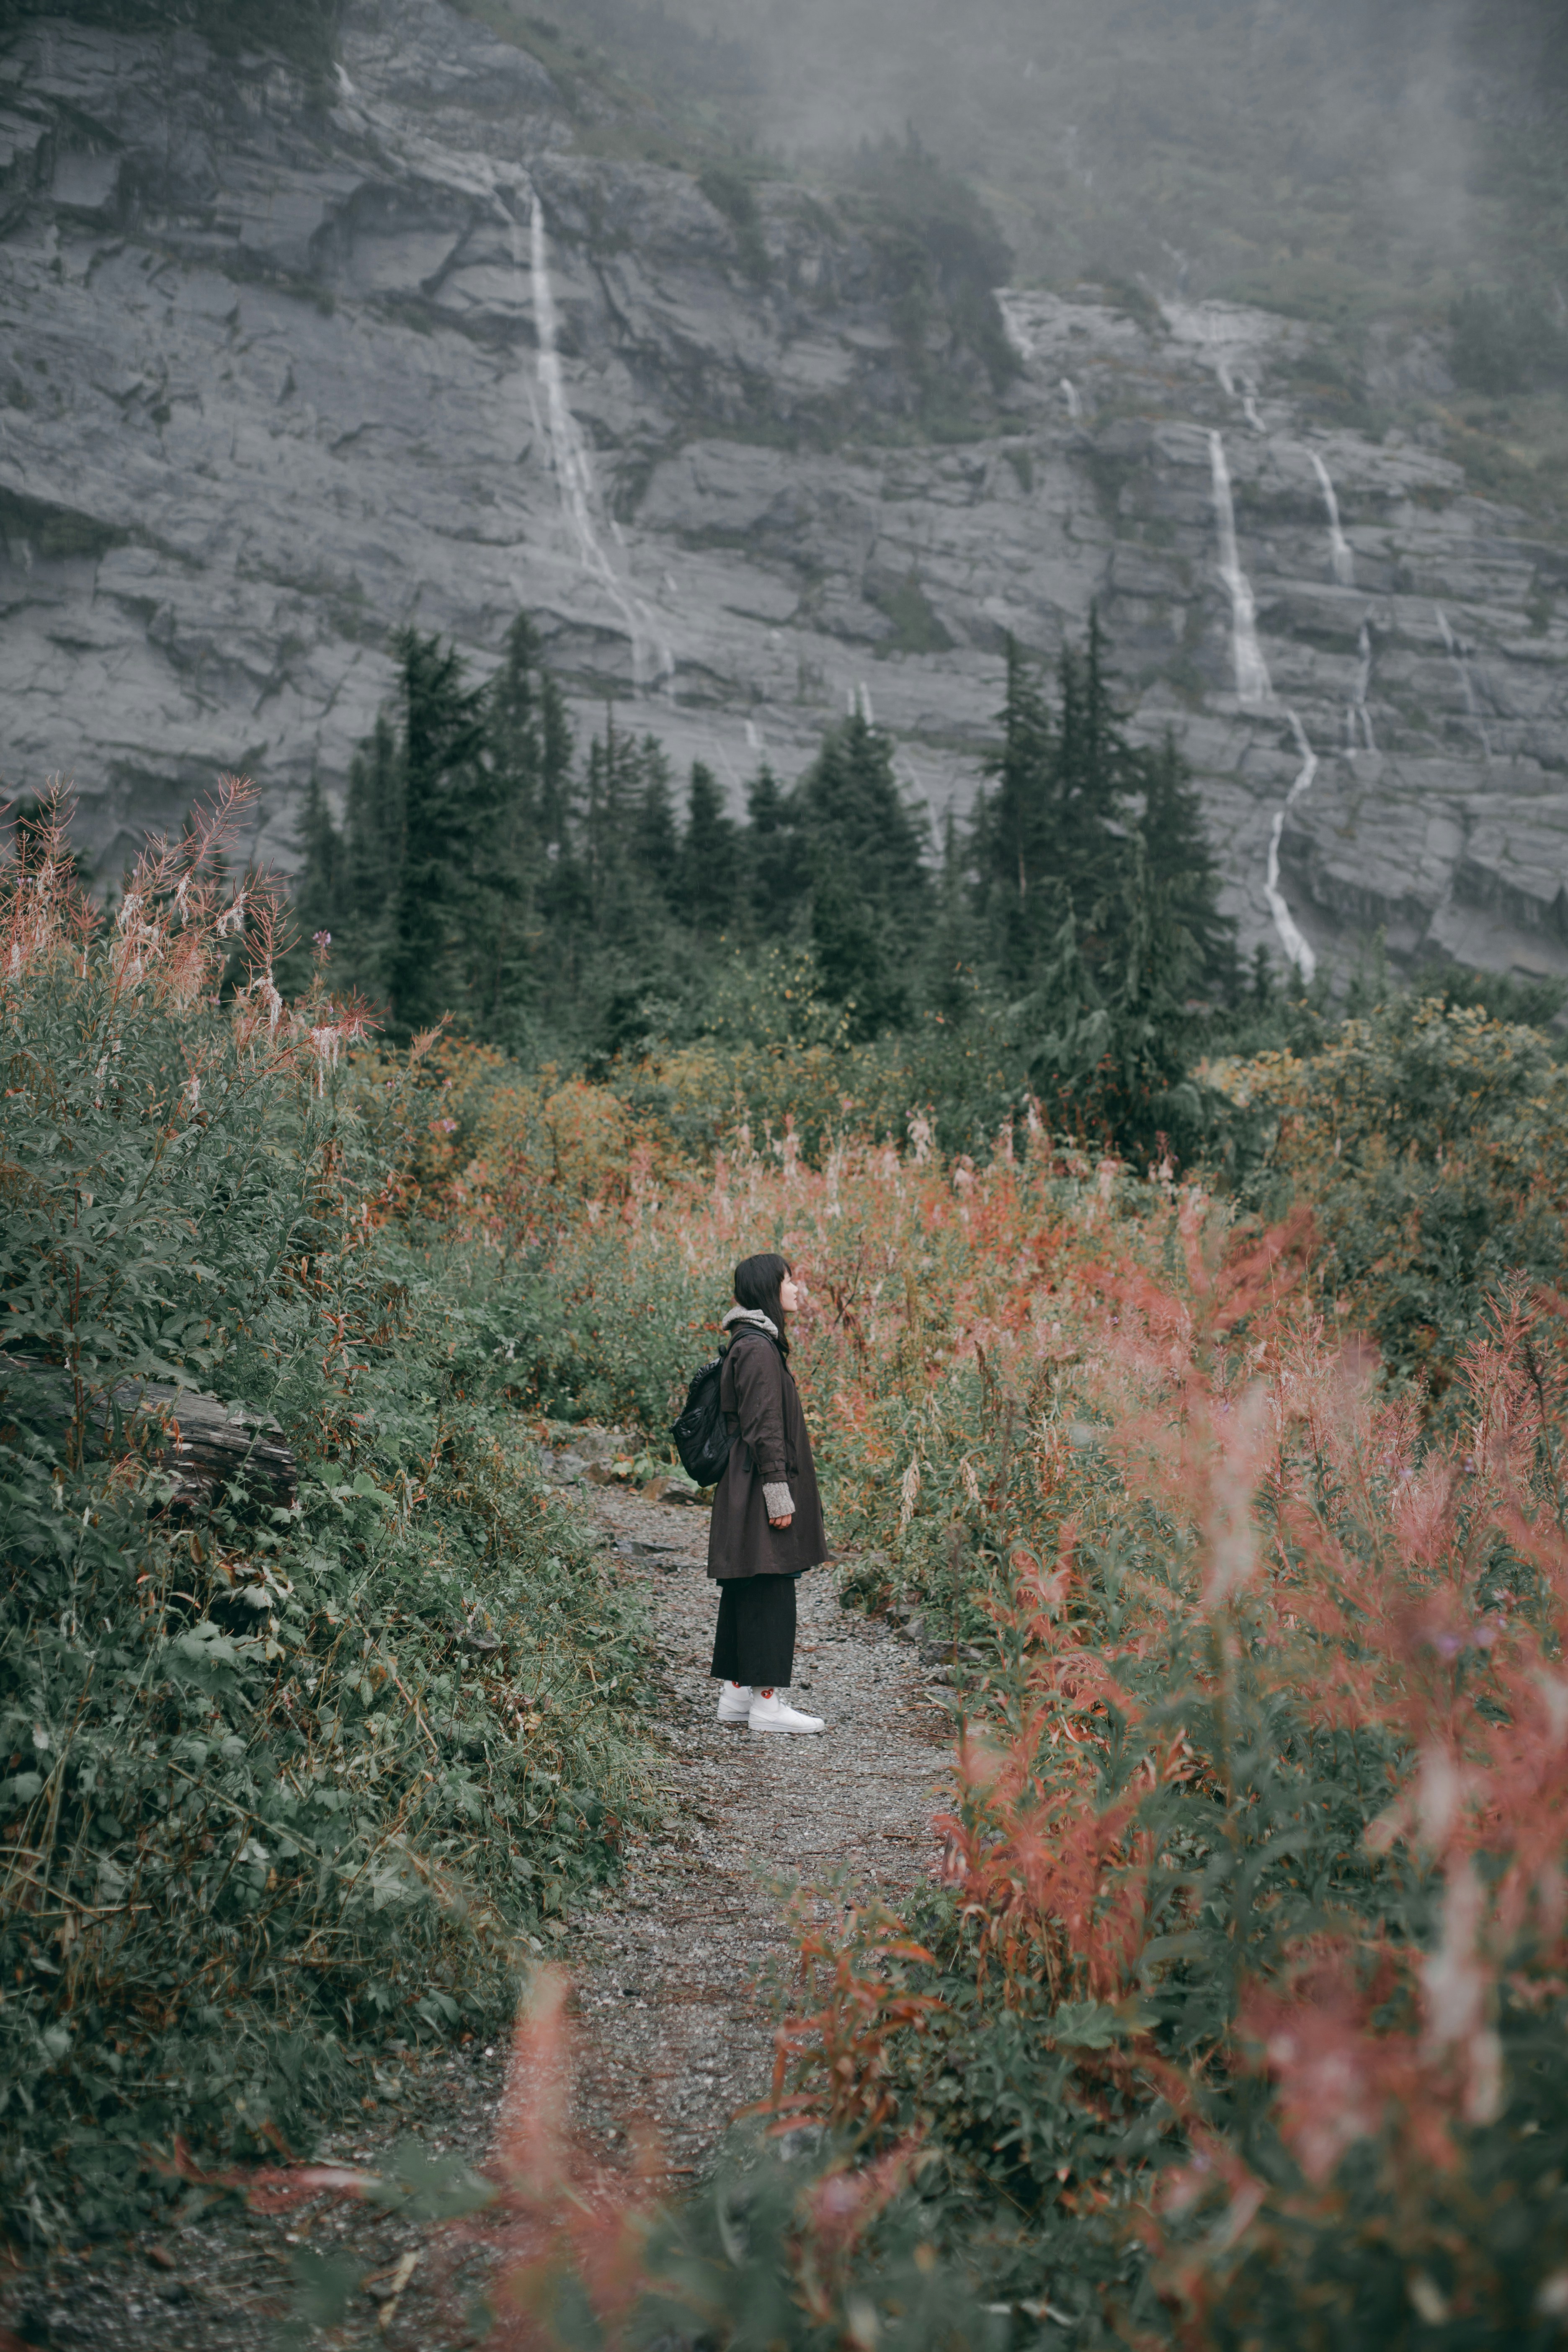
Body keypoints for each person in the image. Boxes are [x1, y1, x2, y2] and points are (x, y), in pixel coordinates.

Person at [707, 1252, 828, 1734]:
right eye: (788, 1281)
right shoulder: (757, 1348)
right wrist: (779, 1492)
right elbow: (764, 1427)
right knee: (770, 1587)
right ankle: (768, 1704)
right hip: (759, 1484)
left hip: (746, 1482)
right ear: (766, 1290)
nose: (797, 1289)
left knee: (749, 1584)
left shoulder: (752, 1343)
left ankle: (737, 1694)